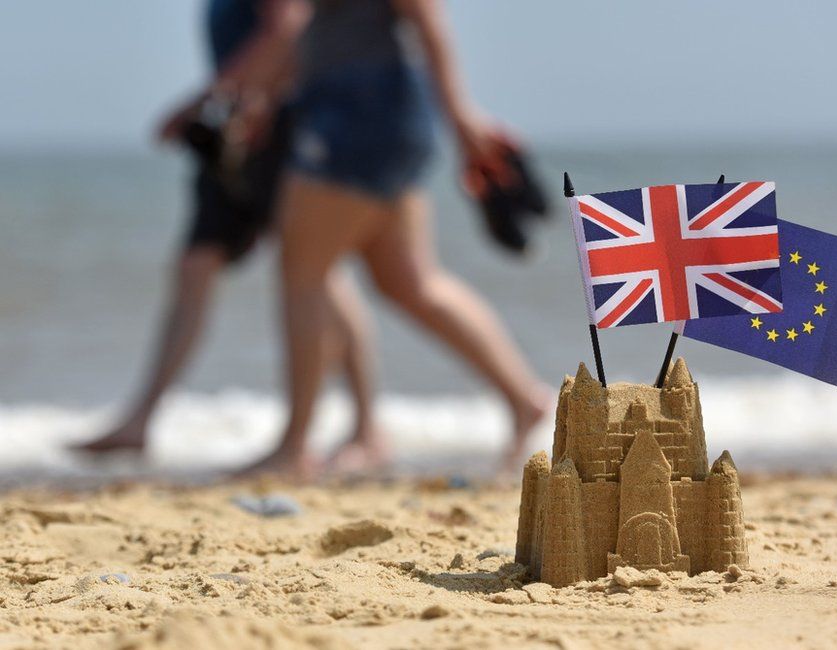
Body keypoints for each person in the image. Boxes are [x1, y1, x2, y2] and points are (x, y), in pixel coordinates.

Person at [221, 0, 552, 476]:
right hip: (375, 108)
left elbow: (424, 14)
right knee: (410, 282)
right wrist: (262, 96)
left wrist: (460, 115)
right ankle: (524, 398)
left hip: (359, 110)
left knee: (304, 274)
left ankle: (294, 447)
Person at [74, 0, 385, 474]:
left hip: (270, 130)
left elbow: (289, 28)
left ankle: (362, 428)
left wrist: (214, 99)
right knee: (196, 267)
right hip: (239, 130)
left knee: (319, 272)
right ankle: (141, 419)